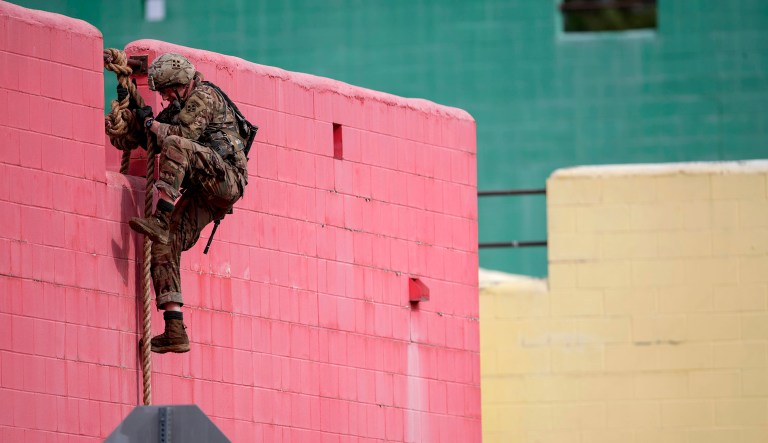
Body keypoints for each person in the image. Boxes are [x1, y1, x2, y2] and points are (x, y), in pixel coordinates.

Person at [125, 53, 256, 353]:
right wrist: (135, 114)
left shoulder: (203, 97)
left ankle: (160, 217)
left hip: (226, 179)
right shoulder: (179, 108)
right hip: (207, 192)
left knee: (174, 143)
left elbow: (178, 137)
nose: (164, 96)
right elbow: (152, 135)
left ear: (183, 83)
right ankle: (174, 328)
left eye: (168, 89)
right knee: (165, 241)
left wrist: (153, 125)